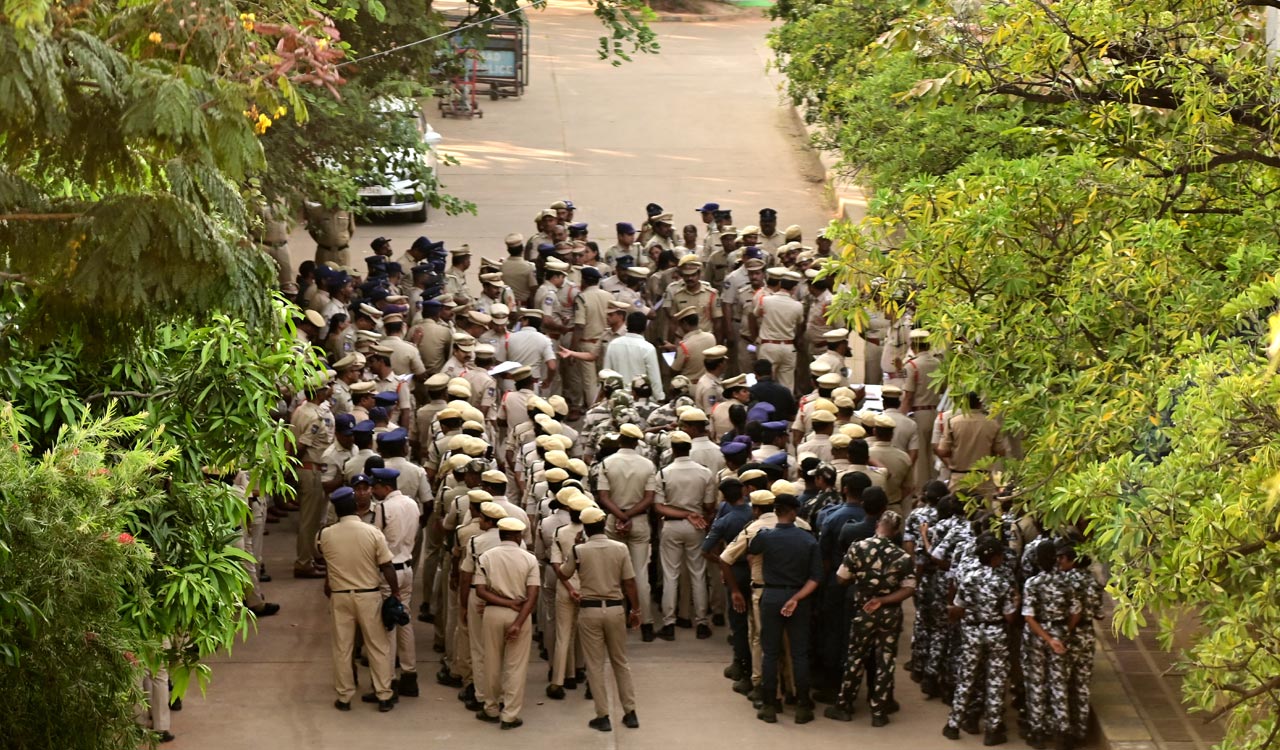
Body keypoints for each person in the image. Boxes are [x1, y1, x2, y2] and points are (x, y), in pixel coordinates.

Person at [826, 510, 916, 726]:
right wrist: (884, 601)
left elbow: (841, 578)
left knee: (855, 657)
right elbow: (909, 589)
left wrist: (862, 583)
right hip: (890, 614)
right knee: (885, 661)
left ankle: (844, 704)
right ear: (896, 531)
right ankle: (879, 711)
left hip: (864, 609)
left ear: (877, 524)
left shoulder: (858, 547)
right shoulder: (902, 557)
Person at [318, 487, 401, 712]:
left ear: (336, 509)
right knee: (377, 645)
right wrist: (395, 593)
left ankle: (344, 696)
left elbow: (326, 561)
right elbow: (386, 565)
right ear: (356, 506)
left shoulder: (325, 534)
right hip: (368, 595)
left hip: (340, 596)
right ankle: (384, 694)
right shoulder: (372, 532)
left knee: (343, 647)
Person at [560, 505, 642, 732]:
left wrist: (574, 547)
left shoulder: (580, 550)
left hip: (590, 610)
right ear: (604, 524)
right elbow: (629, 582)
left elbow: (564, 574)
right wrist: (635, 610)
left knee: (594, 665)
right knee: (620, 661)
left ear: (585, 528)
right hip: (615, 609)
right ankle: (630, 712)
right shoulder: (620, 548)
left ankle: (603, 715)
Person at [747, 485, 820, 724]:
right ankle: (801, 706)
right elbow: (815, 578)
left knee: (770, 652)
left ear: (776, 511)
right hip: (798, 599)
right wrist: (797, 598)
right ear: (794, 512)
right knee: (798, 653)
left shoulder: (766, 536)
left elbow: (752, 550)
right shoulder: (808, 540)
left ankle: (769, 705)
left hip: (771, 597)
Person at [943, 534, 1018, 745]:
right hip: (996, 633)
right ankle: (993, 730)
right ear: (994, 558)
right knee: (996, 681)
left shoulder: (968, 577)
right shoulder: (1003, 581)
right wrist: (1016, 601)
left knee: (966, 678)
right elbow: (1010, 617)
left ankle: (953, 724)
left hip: (972, 631)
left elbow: (958, 608)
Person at [474, 517, 541, 730]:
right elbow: (532, 596)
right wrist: (518, 622)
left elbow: (481, 590)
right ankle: (510, 715)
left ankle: (491, 707)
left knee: (491, 662)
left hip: (493, 614)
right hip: (519, 615)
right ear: (518, 536)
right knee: (515, 667)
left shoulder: (486, 557)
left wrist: (505, 602)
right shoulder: (529, 559)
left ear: (501, 534)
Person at [597, 423, 659, 641]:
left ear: (620, 440)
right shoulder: (647, 465)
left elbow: (603, 497)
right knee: (640, 574)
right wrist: (630, 516)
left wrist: (621, 516)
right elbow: (649, 498)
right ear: (636, 442)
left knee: (612, 574)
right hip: (639, 521)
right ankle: (647, 623)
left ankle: (615, 621)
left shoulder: (607, 463)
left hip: (614, 520)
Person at [654, 430, 717, 640]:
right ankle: (701, 622)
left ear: (672, 450)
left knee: (671, 575)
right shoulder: (704, 472)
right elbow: (709, 504)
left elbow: (659, 507)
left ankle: (669, 623)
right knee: (698, 574)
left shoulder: (664, 473)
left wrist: (682, 513)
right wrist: (694, 513)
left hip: (672, 526)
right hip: (697, 525)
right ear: (689, 448)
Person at [1020, 540, 1079, 749]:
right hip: (1060, 634)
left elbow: (1029, 616)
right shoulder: (1068, 582)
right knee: (1058, 683)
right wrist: (1061, 636)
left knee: (1036, 683)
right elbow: (1075, 612)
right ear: (1056, 558)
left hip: (1037, 638)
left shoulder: (1032, 583)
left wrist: (1047, 638)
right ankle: (1063, 731)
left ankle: (1037, 731)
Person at [369, 468, 421, 697]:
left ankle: (386, 679)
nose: (373, 490)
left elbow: (377, 539)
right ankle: (409, 673)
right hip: (407, 566)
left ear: (385, 486)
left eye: (376, 486)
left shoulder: (383, 507)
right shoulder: (412, 504)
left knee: (387, 625)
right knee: (404, 620)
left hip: (389, 572)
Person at [291, 374, 335, 578]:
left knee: (309, 519)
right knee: (309, 520)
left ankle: (308, 557)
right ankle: (303, 562)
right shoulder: (315, 417)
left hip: (305, 468)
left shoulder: (300, 410)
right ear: (319, 393)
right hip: (311, 468)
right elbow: (301, 445)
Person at [602, 312, 665, 399]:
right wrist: (659, 397)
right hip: (640, 398)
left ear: (626, 324)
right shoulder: (648, 348)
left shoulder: (613, 344)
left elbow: (606, 373)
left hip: (617, 397)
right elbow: (654, 379)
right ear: (645, 327)